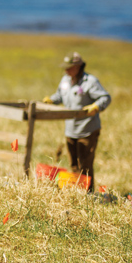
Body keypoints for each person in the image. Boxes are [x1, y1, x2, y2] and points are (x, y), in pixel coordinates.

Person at [43, 52, 111, 191]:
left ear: (79, 66)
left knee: (85, 164)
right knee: (73, 164)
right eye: (65, 68)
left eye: (69, 67)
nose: (66, 70)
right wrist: (51, 100)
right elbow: (59, 96)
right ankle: (76, 190)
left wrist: (97, 106)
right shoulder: (65, 80)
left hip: (87, 130)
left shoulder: (90, 81)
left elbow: (105, 97)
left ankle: (88, 193)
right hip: (71, 129)